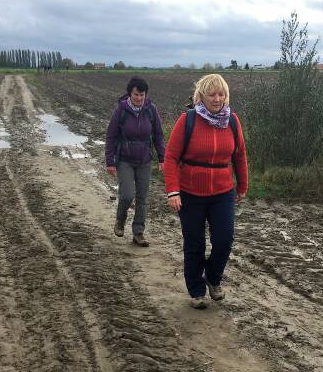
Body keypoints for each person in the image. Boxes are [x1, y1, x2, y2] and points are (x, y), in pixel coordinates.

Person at [163, 74, 248, 309]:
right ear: (201, 96)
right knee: (194, 243)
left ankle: (212, 277)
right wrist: (173, 191)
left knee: (224, 240)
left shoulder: (232, 121)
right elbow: (170, 157)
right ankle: (196, 291)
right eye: (212, 94)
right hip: (190, 193)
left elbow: (240, 155)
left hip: (223, 192)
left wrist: (242, 185)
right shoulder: (187, 120)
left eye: (221, 94)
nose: (217, 99)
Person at [105, 76, 165, 246]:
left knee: (142, 198)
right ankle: (120, 219)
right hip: (125, 160)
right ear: (130, 94)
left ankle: (138, 232)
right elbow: (111, 136)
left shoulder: (151, 110)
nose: (139, 98)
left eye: (142, 95)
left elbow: (158, 135)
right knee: (127, 195)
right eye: (136, 94)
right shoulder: (121, 110)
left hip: (145, 160)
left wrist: (162, 158)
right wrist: (110, 161)